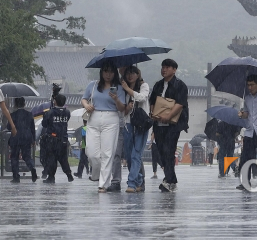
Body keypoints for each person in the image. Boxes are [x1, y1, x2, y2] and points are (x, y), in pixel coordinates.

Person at [81, 63, 128, 193]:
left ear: (115, 73)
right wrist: (86, 106)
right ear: (101, 72)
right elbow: (84, 99)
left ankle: (103, 184)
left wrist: (116, 99)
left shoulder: (118, 88)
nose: (108, 75)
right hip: (94, 118)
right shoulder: (94, 85)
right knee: (92, 153)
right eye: (106, 71)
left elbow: (122, 108)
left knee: (107, 153)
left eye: (111, 72)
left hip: (111, 118)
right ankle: (96, 175)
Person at [149, 58, 189, 192]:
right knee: (161, 152)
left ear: (174, 70)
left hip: (173, 125)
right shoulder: (158, 85)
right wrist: (152, 113)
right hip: (158, 124)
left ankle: (169, 180)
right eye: (162, 67)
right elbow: (152, 100)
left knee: (169, 151)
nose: (164, 70)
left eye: (167, 67)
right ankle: (171, 180)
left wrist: (168, 116)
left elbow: (180, 104)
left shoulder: (180, 85)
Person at [121, 65, 150, 193]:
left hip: (141, 124)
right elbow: (123, 110)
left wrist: (128, 89)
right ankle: (139, 180)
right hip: (127, 124)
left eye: (133, 73)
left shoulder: (144, 86)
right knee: (128, 155)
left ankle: (131, 183)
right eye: (128, 73)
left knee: (136, 154)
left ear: (138, 75)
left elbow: (142, 97)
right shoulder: (122, 90)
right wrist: (127, 107)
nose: (130, 75)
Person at [42, 94, 74, 183]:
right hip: (63, 138)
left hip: (52, 138)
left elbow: (44, 124)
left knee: (52, 158)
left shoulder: (50, 112)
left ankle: (51, 177)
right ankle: (69, 174)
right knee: (63, 158)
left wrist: (45, 116)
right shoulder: (67, 112)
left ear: (55, 101)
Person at [8, 97, 37, 183]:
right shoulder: (29, 114)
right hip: (27, 137)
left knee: (14, 157)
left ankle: (16, 177)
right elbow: (32, 128)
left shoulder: (12, 115)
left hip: (15, 137)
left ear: (15, 104)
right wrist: (33, 140)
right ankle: (32, 168)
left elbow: (9, 127)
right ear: (24, 104)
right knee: (26, 156)